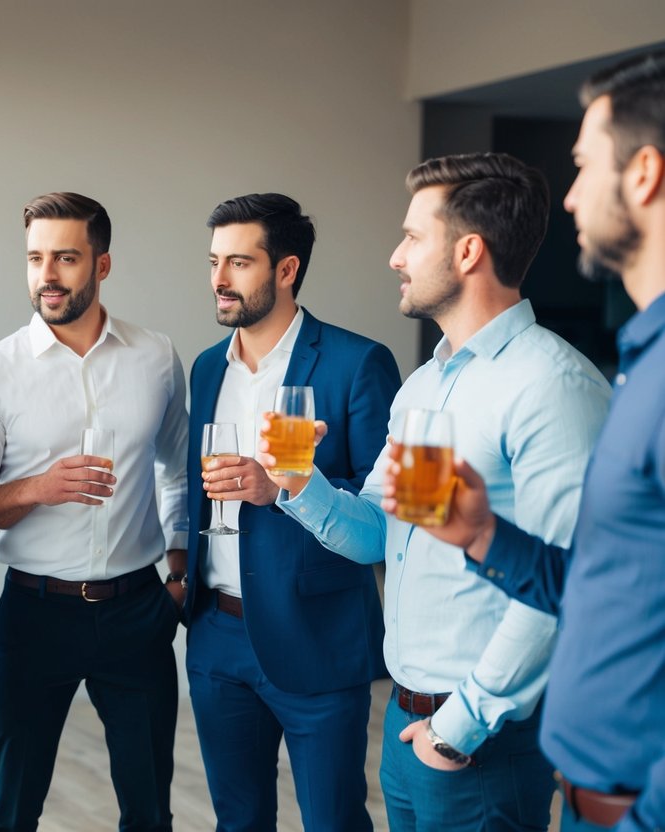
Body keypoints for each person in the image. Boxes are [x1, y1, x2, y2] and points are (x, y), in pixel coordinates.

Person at [263, 152, 611, 831]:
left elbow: (562, 585)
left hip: (480, 740)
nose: (395, 257)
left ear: (469, 251)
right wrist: (300, 488)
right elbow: (378, 533)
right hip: (404, 723)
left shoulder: (552, 386)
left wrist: (459, 727)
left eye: (412, 237)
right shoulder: (426, 383)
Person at [393, 51, 665, 832]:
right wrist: (482, 534)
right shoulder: (637, 368)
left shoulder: (566, 382)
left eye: (583, 165)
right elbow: (601, 590)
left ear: (643, 174)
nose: (571, 195)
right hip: (584, 799)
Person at [0, 192, 188, 832]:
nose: (47, 275)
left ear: (102, 264)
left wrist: (180, 569)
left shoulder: (157, 357)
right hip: (36, 616)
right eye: (34, 258)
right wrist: (34, 489)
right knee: (14, 805)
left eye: (65, 258)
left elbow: (176, 468)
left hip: (139, 612)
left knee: (150, 807)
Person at [183, 193, 399, 831]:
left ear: (286, 269)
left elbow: (383, 517)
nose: (220, 280)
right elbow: (187, 488)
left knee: (333, 822)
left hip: (320, 638)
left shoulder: (359, 363)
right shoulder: (205, 369)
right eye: (214, 261)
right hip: (217, 637)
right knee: (237, 822)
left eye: (239, 263)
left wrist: (279, 488)